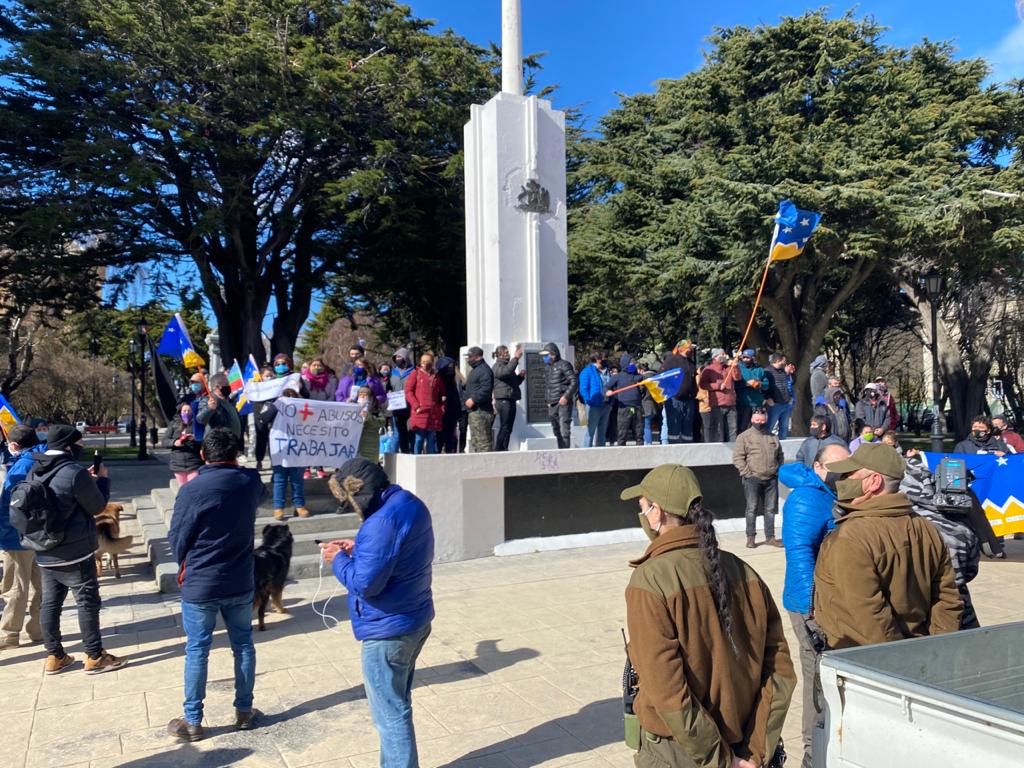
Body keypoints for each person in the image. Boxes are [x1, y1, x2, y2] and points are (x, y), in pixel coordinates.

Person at [622, 464, 795, 768]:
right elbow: (780, 673)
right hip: (741, 746)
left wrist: (721, 761)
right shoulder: (745, 571)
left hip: (680, 753)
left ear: (657, 512)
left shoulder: (650, 581)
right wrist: (754, 752)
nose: (643, 516)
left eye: (643, 507)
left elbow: (668, 693)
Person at [322, 458, 434, 768]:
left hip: (388, 630)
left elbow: (365, 583)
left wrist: (338, 560)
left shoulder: (380, 522)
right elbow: (394, 552)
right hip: (414, 618)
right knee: (396, 705)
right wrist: (358, 548)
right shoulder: (408, 503)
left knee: (389, 715)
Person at [167, 428, 266, 741]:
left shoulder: (193, 489)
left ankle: (193, 720)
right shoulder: (249, 481)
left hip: (201, 581)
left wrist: (185, 563)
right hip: (239, 578)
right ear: (236, 453)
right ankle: (244, 711)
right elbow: (258, 489)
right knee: (243, 645)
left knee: (197, 650)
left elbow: (178, 537)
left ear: (202, 455)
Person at [813, 443, 962, 649]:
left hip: (861, 660)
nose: (841, 481)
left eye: (849, 475)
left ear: (874, 482)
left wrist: (896, 662)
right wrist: (938, 650)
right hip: (916, 654)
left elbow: (868, 614)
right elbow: (948, 600)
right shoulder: (926, 527)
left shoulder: (852, 536)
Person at [28, 424, 125, 675]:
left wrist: (87, 481)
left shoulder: (35, 468)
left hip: (44, 549)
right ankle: (94, 656)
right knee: (87, 602)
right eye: (79, 443)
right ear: (69, 446)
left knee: (50, 603)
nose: (82, 447)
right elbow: (97, 507)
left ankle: (54, 656)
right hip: (74, 550)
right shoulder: (74, 472)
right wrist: (101, 480)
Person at [779, 443, 850, 768]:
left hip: (829, 602)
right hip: (811, 607)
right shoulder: (807, 497)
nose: (844, 469)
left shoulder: (827, 492)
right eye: (836, 465)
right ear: (819, 467)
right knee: (817, 683)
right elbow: (799, 554)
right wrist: (812, 610)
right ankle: (813, 756)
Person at [901, 450, 981, 629]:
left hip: (923, 619)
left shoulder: (904, 524)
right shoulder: (960, 522)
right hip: (961, 614)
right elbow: (970, 571)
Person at [1, 425, 42, 651]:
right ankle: (38, 628)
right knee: (40, 584)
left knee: (15, 585)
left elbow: (10, 503)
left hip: (16, 534)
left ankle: (8, 633)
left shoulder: (20, 467)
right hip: (39, 532)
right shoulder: (41, 458)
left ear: (14, 445)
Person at [732, 407, 784, 549]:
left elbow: (780, 455)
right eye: (757, 420)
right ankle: (750, 538)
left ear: (766, 420)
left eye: (762, 420)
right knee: (751, 509)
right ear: (752, 419)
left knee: (770, 509)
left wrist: (777, 470)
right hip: (752, 479)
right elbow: (737, 458)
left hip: (771, 479)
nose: (759, 422)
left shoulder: (772, 436)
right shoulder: (744, 437)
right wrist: (747, 473)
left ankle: (770, 537)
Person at [256, 389, 309, 519]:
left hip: (297, 450)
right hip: (280, 450)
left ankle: (299, 505)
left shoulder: (302, 407)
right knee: (280, 479)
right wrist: (277, 405)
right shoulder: (273, 406)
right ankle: (278, 507)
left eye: (292, 396)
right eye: (287, 396)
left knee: (297, 479)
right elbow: (262, 418)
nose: (289, 399)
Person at [303, 357, 339, 479]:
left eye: (319, 365)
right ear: (309, 366)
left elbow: (332, 395)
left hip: (323, 413)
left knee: (320, 442)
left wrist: (325, 408)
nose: (317, 368)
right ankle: (306, 468)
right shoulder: (304, 379)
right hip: (308, 413)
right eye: (314, 365)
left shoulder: (330, 380)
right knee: (307, 441)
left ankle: (319, 467)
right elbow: (302, 394)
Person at [405, 353, 445, 455]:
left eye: (428, 362)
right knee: (419, 439)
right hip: (420, 411)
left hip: (433, 413)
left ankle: (431, 462)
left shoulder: (436, 376)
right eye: (423, 362)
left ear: (432, 363)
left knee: (431, 439)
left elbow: (442, 394)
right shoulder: (415, 374)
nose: (425, 364)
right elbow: (408, 391)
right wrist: (416, 406)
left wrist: (442, 408)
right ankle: (416, 460)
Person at [660, 340, 698, 443]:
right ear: (681, 348)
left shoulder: (691, 362)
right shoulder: (671, 360)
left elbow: (693, 379)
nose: (690, 349)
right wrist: (669, 392)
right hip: (674, 399)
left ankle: (687, 447)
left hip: (689, 400)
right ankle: (673, 448)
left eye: (690, 347)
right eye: (688, 347)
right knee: (674, 426)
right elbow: (662, 377)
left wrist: (694, 393)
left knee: (688, 426)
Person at [698, 349, 740, 442]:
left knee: (733, 429)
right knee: (718, 429)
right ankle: (718, 450)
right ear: (715, 357)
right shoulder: (709, 369)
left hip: (731, 403)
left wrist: (735, 367)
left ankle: (733, 450)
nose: (725, 356)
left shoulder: (729, 367)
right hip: (717, 403)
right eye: (722, 354)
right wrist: (718, 386)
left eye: (725, 354)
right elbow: (703, 384)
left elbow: (737, 378)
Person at [541, 342, 577, 449]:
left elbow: (574, 381)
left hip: (563, 403)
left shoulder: (564, 365)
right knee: (556, 430)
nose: (544, 358)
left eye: (546, 355)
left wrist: (566, 396)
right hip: (552, 403)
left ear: (553, 354)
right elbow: (548, 386)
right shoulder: (547, 368)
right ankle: (560, 450)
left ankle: (565, 453)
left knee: (564, 429)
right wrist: (547, 401)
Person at [491, 345, 525, 451]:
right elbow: (504, 373)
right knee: (505, 426)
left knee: (509, 428)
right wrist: (515, 358)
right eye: (506, 352)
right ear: (500, 354)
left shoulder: (507, 366)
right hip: (503, 400)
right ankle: (498, 449)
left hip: (510, 399)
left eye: (508, 352)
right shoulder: (497, 366)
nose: (508, 354)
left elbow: (512, 383)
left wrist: (520, 377)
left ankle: (505, 448)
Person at [607, 353, 643, 446]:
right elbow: (606, 387)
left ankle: (641, 450)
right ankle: (621, 449)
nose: (634, 364)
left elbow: (646, 380)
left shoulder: (637, 376)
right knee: (622, 431)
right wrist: (608, 392)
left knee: (639, 431)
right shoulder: (618, 377)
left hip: (637, 406)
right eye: (631, 363)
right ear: (625, 364)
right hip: (624, 407)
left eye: (634, 362)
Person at [463, 346, 495, 453]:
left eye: (470, 357)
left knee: (483, 443)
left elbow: (486, 389)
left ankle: (487, 467)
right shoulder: (476, 370)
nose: (468, 359)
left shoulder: (484, 370)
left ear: (478, 357)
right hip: (474, 412)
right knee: (476, 442)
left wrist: (473, 399)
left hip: (481, 411)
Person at [163, 402, 203, 486]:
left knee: (193, 487)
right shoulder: (174, 424)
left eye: (189, 411)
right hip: (178, 463)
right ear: (180, 412)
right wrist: (174, 442)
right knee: (183, 488)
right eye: (184, 411)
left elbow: (204, 440)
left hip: (194, 462)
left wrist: (196, 438)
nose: (186, 413)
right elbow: (165, 441)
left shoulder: (197, 424)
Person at [578, 351, 611, 447]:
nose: (605, 360)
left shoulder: (607, 371)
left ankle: (601, 452)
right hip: (594, 405)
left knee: (602, 431)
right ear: (597, 360)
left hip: (606, 405)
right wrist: (589, 401)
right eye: (602, 358)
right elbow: (583, 389)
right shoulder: (587, 371)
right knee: (590, 431)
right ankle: (586, 451)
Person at [197, 372, 242, 438]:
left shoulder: (229, 401)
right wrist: (209, 408)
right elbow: (200, 419)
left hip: (231, 442)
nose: (229, 386)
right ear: (217, 387)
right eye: (226, 384)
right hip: (217, 443)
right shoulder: (208, 400)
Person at [735, 349, 769, 434]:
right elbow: (734, 384)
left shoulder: (760, 369)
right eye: (744, 357)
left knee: (757, 427)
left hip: (758, 403)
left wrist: (760, 384)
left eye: (748, 358)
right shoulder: (737, 368)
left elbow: (767, 385)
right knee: (742, 427)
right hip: (743, 402)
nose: (745, 359)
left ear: (753, 358)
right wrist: (746, 384)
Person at [389, 348, 416, 454]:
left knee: (411, 431)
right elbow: (388, 387)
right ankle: (404, 452)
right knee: (400, 432)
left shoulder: (413, 372)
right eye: (396, 357)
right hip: (397, 407)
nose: (397, 359)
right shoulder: (392, 373)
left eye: (400, 357)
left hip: (410, 407)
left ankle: (412, 452)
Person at [435, 356, 463, 454]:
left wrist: (458, 412)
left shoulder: (452, 380)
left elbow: (456, 396)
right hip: (440, 414)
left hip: (451, 414)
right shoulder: (437, 379)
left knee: (450, 439)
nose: (451, 369)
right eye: (449, 366)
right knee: (439, 439)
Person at [764, 352, 793, 439]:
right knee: (770, 426)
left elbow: (788, 384)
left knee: (784, 427)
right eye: (782, 360)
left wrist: (789, 397)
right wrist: (767, 398)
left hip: (786, 402)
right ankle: (767, 444)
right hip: (775, 403)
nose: (784, 362)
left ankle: (782, 446)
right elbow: (765, 386)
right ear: (777, 360)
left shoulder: (783, 371)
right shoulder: (767, 371)